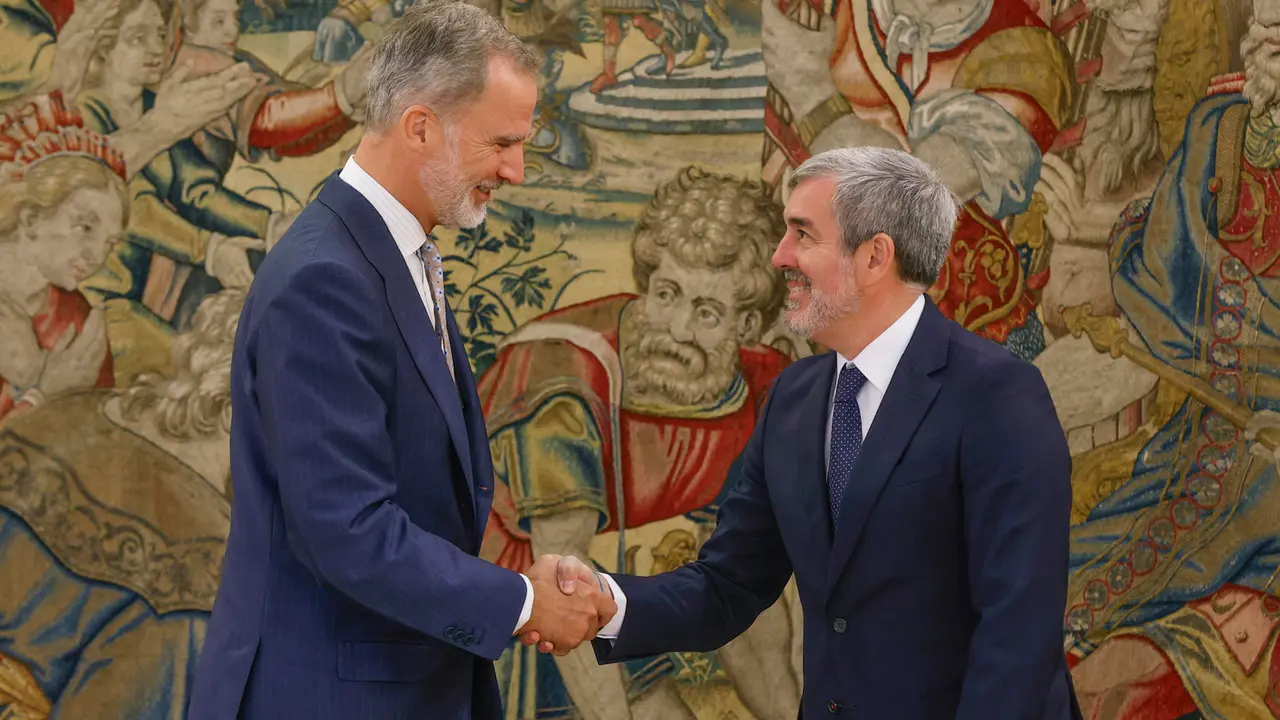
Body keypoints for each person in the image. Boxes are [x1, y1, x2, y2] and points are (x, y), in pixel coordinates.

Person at [524, 146, 1083, 719]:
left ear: (874, 256)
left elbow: (1018, 637)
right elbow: (729, 585)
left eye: (803, 235)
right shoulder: (795, 398)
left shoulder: (998, 396)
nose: (780, 255)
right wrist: (603, 602)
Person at [186, 3, 616, 719]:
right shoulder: (325, 279)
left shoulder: (390, 251)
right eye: (501, 143)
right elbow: (347, 530)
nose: (515, 170)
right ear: (420, 126)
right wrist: (521, 601)